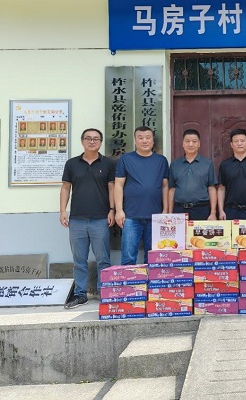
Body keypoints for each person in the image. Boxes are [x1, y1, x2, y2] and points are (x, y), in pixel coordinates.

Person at [60, 128, 115, 309]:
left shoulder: (108, 163)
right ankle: (80, 294)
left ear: (100, 142)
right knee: (79, 261)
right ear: (82, 141)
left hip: (100, 219)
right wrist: (62, 211)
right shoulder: (72, 164)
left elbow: (112, 188)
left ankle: (105, 291)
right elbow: (66, 188)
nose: (92, 141)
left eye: (96, 139)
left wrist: (112, 210)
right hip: (77, 220)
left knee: (103, 259)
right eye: (88, 138)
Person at [114, 126, 169, 265]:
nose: (144, 141)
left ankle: (151, 281)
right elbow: (118, 185)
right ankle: (128, 280)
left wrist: (165, 210)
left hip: (155, 217)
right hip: (131, 216)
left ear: (153, 140)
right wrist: (119, 210)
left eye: (148, 138)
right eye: (140, 138)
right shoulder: (125, 159)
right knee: (128, 256)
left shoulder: (161, 160)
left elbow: (165, 186)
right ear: (135, 140)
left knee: (153, 257)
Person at [168, 129, 217, 220]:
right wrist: (170, 213)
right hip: (179, 209)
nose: (191, 144)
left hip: (201, 209)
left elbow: (211, 188)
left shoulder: (207, 163)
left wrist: (213, 212)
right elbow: (172, 189)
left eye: (194, 141)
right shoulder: (175, 164)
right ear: (183, 144)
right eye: (187, 141)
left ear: (199, 144)